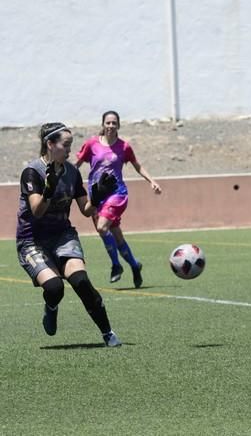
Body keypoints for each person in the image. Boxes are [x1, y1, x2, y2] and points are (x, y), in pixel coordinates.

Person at [16, 122, 122, 346]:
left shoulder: (72, 172)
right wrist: (48, 191)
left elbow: (86, 211)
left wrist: (99, 196)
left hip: (62, 235)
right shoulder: (32, 172)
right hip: (32, 240)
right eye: (65, 145)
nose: (69, 150)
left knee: (81, 281)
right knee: (55, 288)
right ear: (50, 144)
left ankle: (108, 333)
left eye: (70, 145)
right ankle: (51, 306)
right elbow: (36, 211)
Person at [75, 110, 162, 288]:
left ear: (118, 125)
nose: (111, 126)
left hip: (117, 194)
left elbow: (137, 165)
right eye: (108, 123)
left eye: (114, 123)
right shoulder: (91, 144)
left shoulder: (124, 147)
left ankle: (116, 265)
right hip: (97, 195)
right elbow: (76, 165)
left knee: (101, 227)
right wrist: (64, 179)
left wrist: (151, 181)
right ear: (103, 124)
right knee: (117, 237)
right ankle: (135, 265)